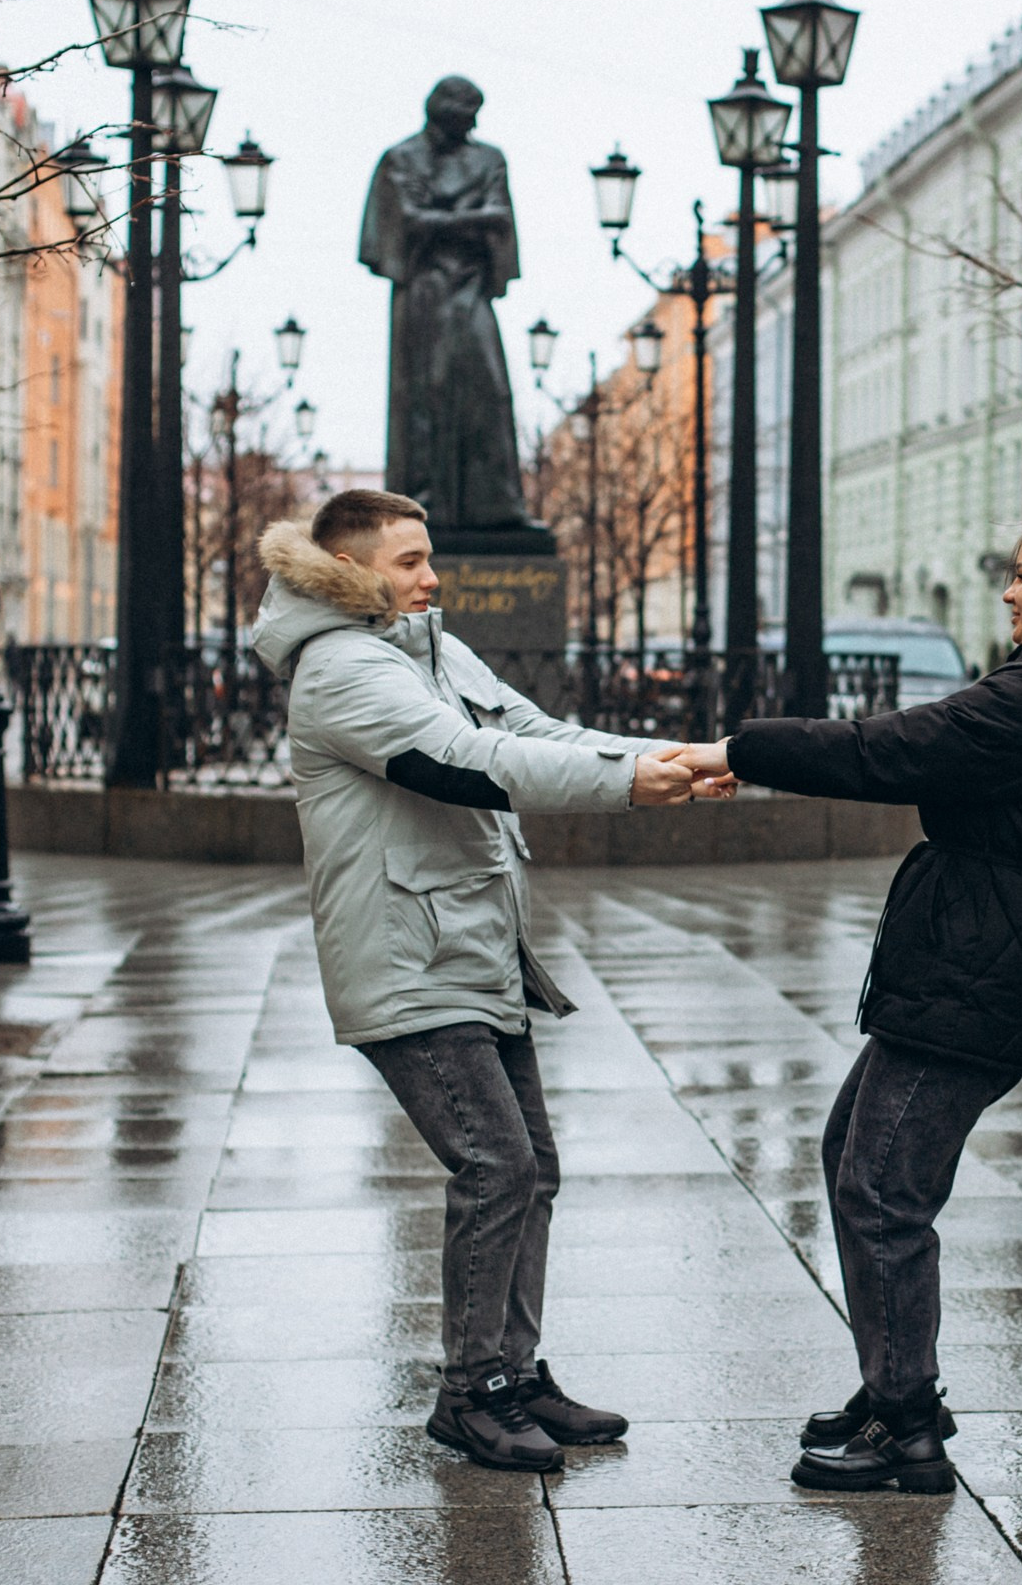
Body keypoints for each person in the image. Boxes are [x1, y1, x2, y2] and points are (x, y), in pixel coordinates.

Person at [673, 501, 1022, 1493]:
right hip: (977, 943)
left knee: (882, 1185)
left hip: (987, 951)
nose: (1007, 591)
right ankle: (892, 1382)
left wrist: (737, 750)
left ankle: (906, 1427)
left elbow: (891, 747)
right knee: (854, 1155)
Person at [254, 489, 702, 1474]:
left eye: (429, 557)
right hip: (408, 960)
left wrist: (676, 757)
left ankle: (515, 1371)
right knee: (496, 1166)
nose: (432, 576)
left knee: (530, 1164)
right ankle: (470, 1393)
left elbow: (539, 730)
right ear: (347, 569)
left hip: (473, 949)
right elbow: (467, 762)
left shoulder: (431, 651)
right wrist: (630, 783)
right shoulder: (339, 669)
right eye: (410, 561)